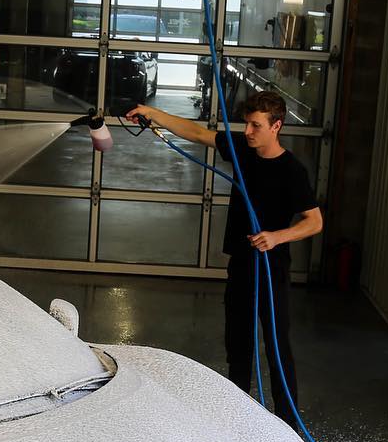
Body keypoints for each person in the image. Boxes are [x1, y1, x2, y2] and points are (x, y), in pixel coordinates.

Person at [126, 91, 322, 421]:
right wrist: (152, 112)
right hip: (242, 263)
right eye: (246, 124)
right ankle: (237, 416)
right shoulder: (244, 150)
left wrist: (276, 237)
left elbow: (314, 221)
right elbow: (197, 133)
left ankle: (289, 425)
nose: (248, 132)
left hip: (272, 267)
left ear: (277, 126)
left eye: (256, 125)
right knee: (238, 343)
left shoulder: (292, 171)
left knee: (276, 347)